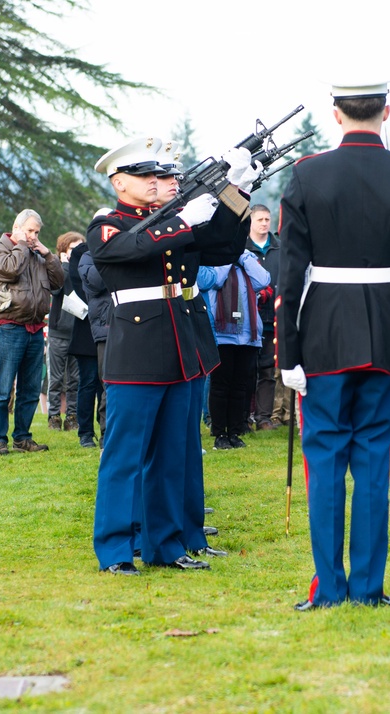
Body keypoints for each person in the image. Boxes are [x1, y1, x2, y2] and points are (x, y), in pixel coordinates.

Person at [278, 77, 390, 609]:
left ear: (336, 114)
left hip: (322, 336)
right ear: (386, 111)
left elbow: (288, 275)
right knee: (373, 462)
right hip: (384, 334)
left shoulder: (306, 175)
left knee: (325, 464)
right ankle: (369, 590)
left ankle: (330, 590)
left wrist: (287, 353)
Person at [87, 136, 255, 575]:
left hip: (181, 344)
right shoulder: (108, 222)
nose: (160, 181)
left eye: (162, 175)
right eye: (148, 175)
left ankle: (166, 544)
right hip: (138, 349)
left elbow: (221, 247)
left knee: (172, 454)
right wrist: (182, 221)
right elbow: (129, 249)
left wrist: (236, 192)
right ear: (119, 182)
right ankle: (115, 550)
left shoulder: (169, 218)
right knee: (125, 457)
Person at [0, 209, 64, 455]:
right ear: (16, 227)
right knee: (3, 387)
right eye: (29, 231)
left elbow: (59, 282)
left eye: (37, 232)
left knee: (30, 389)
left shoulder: (38, 254)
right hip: (10, 325)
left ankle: (22, 438)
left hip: (35, 326)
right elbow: (9, 270)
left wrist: (48, 255)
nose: (33, 236)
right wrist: (21, 244)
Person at [201, 249, 270, 449]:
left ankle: (235, 432)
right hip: (223, 335)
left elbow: (263, 280)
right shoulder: (215, 259)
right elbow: (214, 281)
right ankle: (219, 433)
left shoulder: (247, 260)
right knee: (221, 386)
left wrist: (242, 256)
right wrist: (227, 257)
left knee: (241, 386)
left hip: (247, 334)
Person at [245, 204, 280, 431]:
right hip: (247, 318)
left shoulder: (280, 248)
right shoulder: (241, 247)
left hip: (272, 319)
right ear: (251, 222)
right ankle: (244, 415)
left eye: (267, 219)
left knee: (268, 370)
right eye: (260, 219)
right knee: (246, 369)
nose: (265, 223)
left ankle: (264, 417)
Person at [67, 239, 104, 449]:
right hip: (86, 328)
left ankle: (106, 430)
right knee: (88, 382)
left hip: (111, 326)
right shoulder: (81, 252)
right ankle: (86, 433)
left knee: (106, 383)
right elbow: (80, 285)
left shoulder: (118, 245)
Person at [46, 232, 82, 432]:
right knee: (56, 378)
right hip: (59, 331)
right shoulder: (59, 270)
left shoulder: (83, 270)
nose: (76, 253)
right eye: (72, 249)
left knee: (75, 379)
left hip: (78, 331)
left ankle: (72, 415)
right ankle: (53, 416)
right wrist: (65, 264)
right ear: (63, 251)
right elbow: (56, 288)